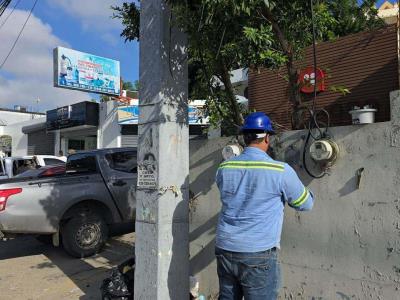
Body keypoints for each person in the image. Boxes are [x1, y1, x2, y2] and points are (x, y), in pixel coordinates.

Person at [215, 112, 315, 300]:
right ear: (267, 137)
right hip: (257, 253)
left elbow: (228, 195)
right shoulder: (280, 171)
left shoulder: (224, 168)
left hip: (225, 248)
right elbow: (305, 204)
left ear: (245, 137)